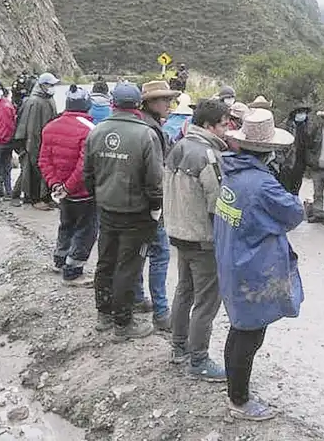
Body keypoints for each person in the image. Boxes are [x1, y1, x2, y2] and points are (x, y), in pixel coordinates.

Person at [213, 108, 303, 421]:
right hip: (251, 266)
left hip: (232, 257)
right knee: (250, 334)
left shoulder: (232, 171)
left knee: (239, 327)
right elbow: (293, 213)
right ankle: (239, 400)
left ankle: (234, 389)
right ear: (269, 150)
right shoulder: (263, 184)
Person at [85, 82, 164, 339]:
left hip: (107, 208)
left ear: (113, 104)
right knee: (128, 267)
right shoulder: (146, 135)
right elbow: (154, 179)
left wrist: (99, 196)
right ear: (138, 105)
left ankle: (103, 315)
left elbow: (88, 173)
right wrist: (156, 207)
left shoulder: (97, 132)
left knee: (106, 261)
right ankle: (123, 323)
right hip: (136, 213)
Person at [164, 99, 231, 381]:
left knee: (184, 291)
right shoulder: (209, 155)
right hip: (203, 238)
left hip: (179, 232)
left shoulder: (179, 147)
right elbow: (217, 202)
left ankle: (178, 347)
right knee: (206, 301)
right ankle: (199, 360)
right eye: (224, 125)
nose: (227, 130)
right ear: (208, 126)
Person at [133, 80, 179, 331]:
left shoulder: (140, 123)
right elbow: (155, 173)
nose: (169, 105)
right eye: (165, 100)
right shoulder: (151, 130)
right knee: (160, 254)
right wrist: (157, 204)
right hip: (149, 203)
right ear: (151, 103)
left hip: (133, 202)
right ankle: (161, 312)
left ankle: (137, 297)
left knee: (140, 251)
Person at [40, 86, 98, 286]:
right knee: (86, 230)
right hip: (83, 192)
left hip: (61, 192)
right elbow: (84, 166)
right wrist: (68, 187)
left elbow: (44, 160)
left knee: (66, 224)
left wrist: (56, 184)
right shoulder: (89, 130)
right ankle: (73, 271)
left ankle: (60, 260)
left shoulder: (50, 127)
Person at [14, 72, 60, 210]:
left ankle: (46, 197)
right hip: (34, 142)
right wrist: (32, 145)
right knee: (33, 170)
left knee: (47, 170)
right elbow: (31, 127)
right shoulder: (34, 101)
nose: (52, 87)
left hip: (47, 141)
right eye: (50, 85)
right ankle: (34, 198)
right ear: (42, 85)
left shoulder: (49, 99)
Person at [279, 105, 313, 195]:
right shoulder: (285, 125)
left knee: (296, 188)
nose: (302, 114)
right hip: (287, 163)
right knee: (284, 189)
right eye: (300, 112)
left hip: (300, 163)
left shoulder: (308, 126)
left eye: (304, 112)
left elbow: (310, 144)